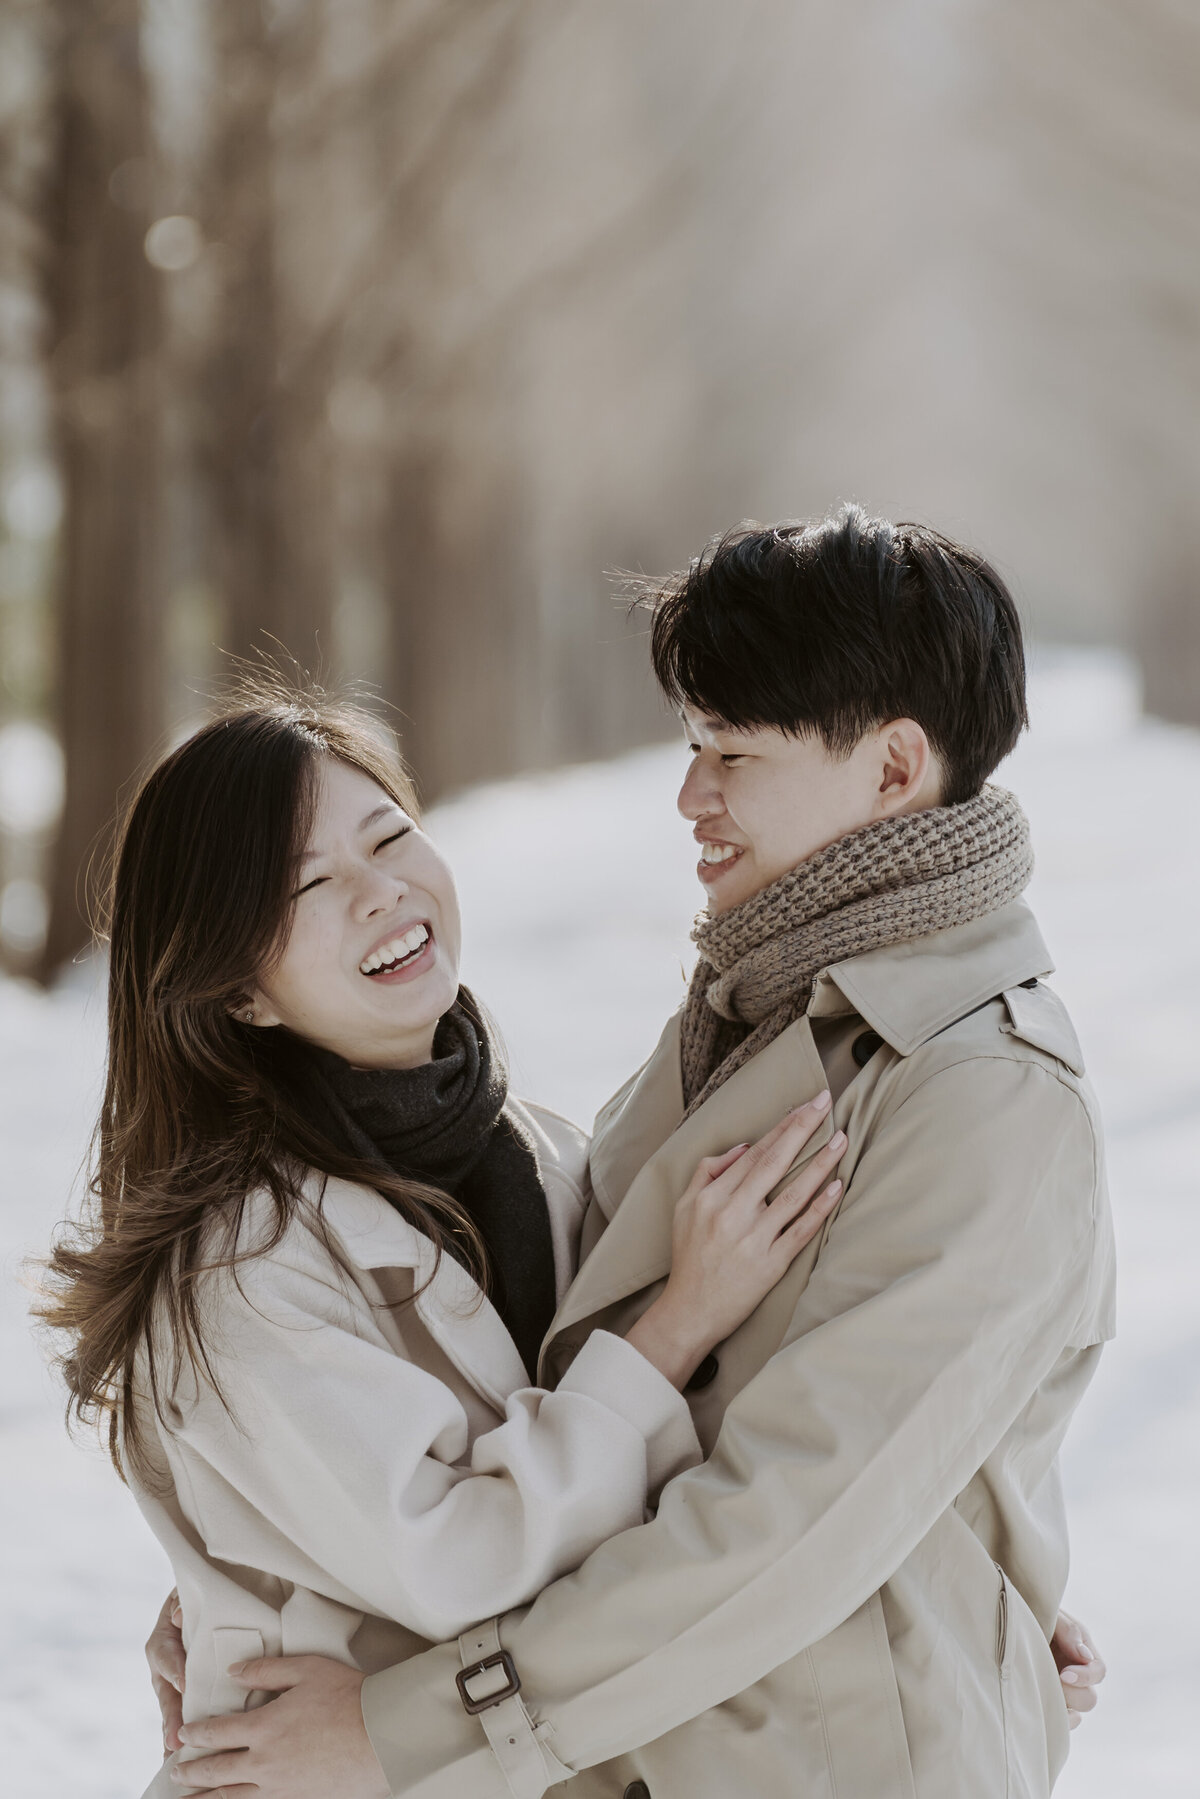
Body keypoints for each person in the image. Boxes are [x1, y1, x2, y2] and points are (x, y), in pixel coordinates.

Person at [159, 507, 1114, 1798]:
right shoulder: (757, 1005)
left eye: (731, 750)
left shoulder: (984, 1090)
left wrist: (402, 1724)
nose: (688, 793)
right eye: (690, 741)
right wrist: (256, 1583)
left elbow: (785, 1522)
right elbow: (542, 1385)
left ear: (894, 769)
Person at [41, 684, 851, 1798]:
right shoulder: (235, 1265)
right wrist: (671, 1328)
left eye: (388, 835)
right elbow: (463, 1558)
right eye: (311, 883)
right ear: (239, 990)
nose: (381, 891)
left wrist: (931, 1583)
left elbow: (716, 1444)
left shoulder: (544, 1154)